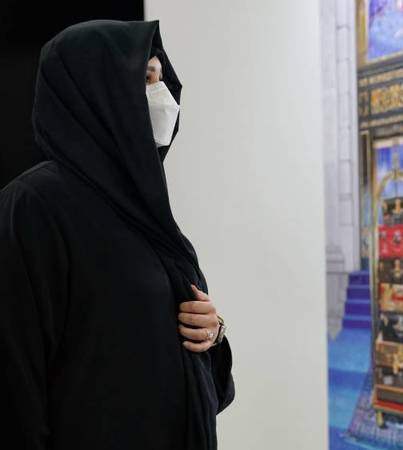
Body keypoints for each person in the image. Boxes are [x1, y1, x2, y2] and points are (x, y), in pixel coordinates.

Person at [0, 20, 234, 449]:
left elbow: (199, 383)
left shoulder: (145, 210)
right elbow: (14, 382)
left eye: (160, 78)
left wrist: (212, 334)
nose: (162, 95)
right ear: (97, 89)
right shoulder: (34, 207)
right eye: (146, 78)